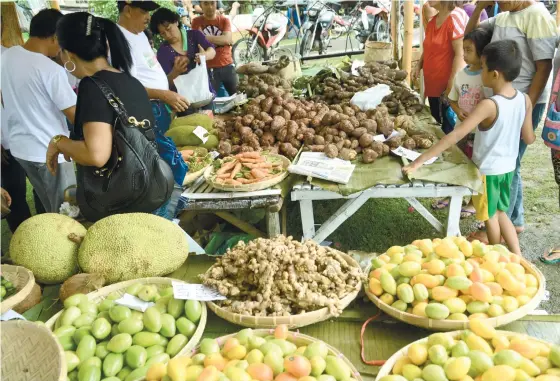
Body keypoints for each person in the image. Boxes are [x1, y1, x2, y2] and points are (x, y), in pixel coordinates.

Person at [404, 40, 535, 255]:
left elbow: (455, 135)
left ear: (495, 74)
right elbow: (529, 138)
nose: (480, 72)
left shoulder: (489, 105)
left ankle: (496, 257)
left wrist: (418, 162)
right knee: (502, 212)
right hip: (508, 170)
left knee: (490, 216)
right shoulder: (525, 100)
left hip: (487, 173)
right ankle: (517, 256)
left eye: (483, 68)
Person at [45, 12, 173, 219]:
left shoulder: (92, 86)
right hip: (150, 192)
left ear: (67, 54)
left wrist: (59, 142)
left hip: (122, 204)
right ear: (105, 44)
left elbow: (97, 155)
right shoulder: (132, 83)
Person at [465, 0, 557, 236]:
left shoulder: (536, 14)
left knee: (509, 162)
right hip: (504, 103)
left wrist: (526, 106)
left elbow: (543, 67)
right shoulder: (503, 15)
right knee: (509, 162)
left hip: (522, 102)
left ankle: (501, 223)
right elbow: (471, 36)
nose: (498, 1)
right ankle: (514, 220)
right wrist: (478, 8)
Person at [117, 0, 189, 220]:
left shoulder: (139, 35)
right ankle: (162, 220)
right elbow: (126, 87)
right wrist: (163, 94)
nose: (149, 16)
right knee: (163, 168)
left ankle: (172, 211)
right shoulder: (118, 40)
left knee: (170, 164)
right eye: (143, 11)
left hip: (158, 108)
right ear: (127, 9)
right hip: (143, 112)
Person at [1, 9, 77, 214]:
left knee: (48, 203)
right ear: (55, 37)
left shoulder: (7, 57)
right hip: (51, 152)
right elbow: (75, 115)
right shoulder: (51, 70)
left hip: (21, 149)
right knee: (68, 211)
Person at [442, 28, 493, 218]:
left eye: (469, 50)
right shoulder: (461, 75)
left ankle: (473, 202)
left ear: (482, 53)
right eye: (463, 49)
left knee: (476, 168)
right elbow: (452, 99)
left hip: (480, 134)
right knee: (458, 163)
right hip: (461, 130)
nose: (464, 54)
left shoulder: (487, 76)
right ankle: (453, 195)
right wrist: (457, 111)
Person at [413, 0, 468, 134]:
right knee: (437, 129)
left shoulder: (455, 17)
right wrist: (419, 65)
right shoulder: (433, 21)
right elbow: (429, 47)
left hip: (448, 92)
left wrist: (451, 85)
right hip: (433, 88)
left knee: (449, 132)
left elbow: (461, 54)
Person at [150, 7, 216, 114]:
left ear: (176, 22)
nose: (167, 35)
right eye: (162, 33)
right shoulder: (163, 52)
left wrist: (204, 55)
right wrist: (175, 72)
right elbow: (165, 83)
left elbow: (212, 50)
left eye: (168, 29)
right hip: (183, 104)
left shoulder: (194, 36)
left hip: (204, 96)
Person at [192, 0, 238, 97]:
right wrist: (221, 39)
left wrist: (204, 37)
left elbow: (227, 39)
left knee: (238, 97)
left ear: (216, 3)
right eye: (206, 3)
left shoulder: (224, 20)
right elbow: (198, 43)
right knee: (210, 101)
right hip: (209, 69)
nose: (210, 7)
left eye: (212, 3)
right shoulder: (196, 22)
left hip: (227, 65)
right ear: (201, 5)